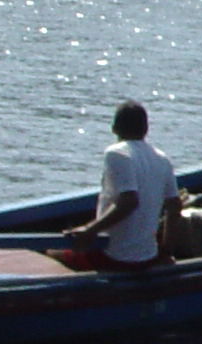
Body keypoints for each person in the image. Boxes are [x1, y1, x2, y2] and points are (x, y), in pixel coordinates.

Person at [65, 99, 181, 270]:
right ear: (146, 129)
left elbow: (129, 202)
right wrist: (165, 252)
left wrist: (90, 230)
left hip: (113, 257)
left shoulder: (116, 153)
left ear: (114, 128)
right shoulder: (162, 159)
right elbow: (174, 207)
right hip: (148, 257)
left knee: (51, 254)